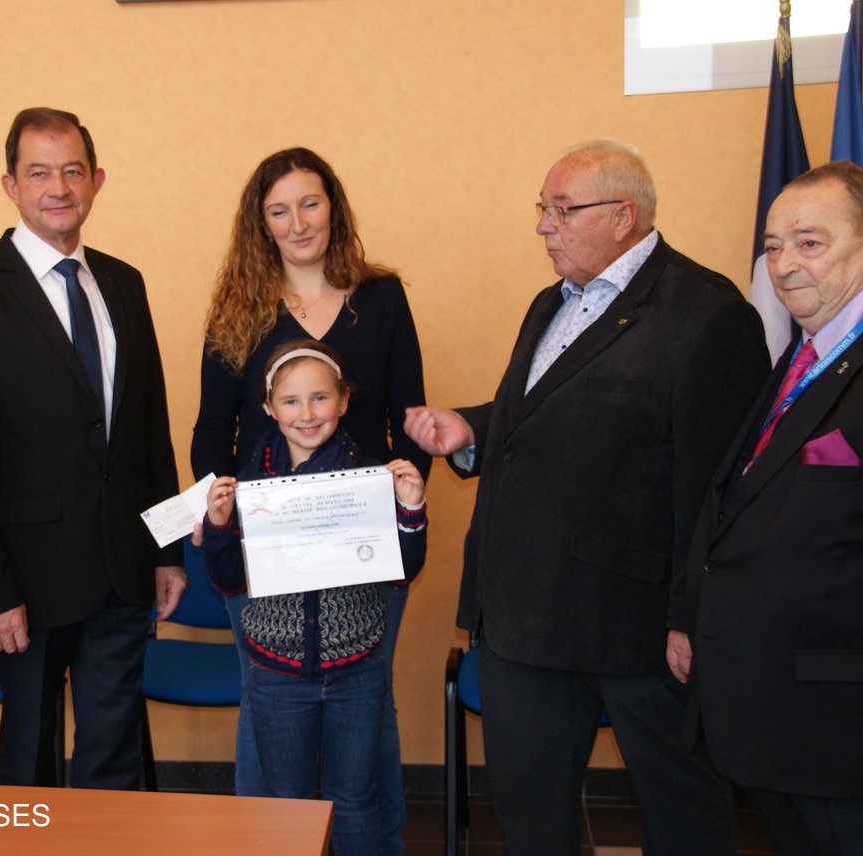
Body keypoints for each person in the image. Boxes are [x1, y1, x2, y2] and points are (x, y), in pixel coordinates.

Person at [404, 140, 769, 854]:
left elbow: (718, 486)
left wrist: (690, 617)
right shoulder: (552, 302)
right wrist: (472, 429)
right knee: (530, 818)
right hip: (525, 620)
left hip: (636, 629)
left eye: (563, 209)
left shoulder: (706, 312)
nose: (544, 225)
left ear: (623, 216)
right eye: (543, 208)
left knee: (683, 820)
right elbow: (547, 414)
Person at [0, 107, 186, 789]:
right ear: (10, 186)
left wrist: (167, 550)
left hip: (124, 566)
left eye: (73, 170)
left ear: (96, 181)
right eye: (39, 172)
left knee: (115, 753)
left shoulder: (124, 283)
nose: (59, 188)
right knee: (30, 754)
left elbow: (150, 430)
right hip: (26, 583)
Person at [191, 147, 428, 849]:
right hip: (264, 551)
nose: (298, 223)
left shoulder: (382, 298)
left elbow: (410, 418)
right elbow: (212, 429)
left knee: (370, 703)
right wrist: (215, 510)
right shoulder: (238, 308)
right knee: (265, 704)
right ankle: (267, 841)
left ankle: (375, 843)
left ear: (334, 207)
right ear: (260, 223)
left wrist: (403, 506)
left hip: (364, 549)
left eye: (310, 203)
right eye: (279, 210)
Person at [672, 161, 863, 854]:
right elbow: (737, 498)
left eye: (810, 243)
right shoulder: (800, 358)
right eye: (774, 246)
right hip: (771, 706)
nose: (783, 266)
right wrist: (691, 612)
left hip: (838, 718)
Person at [201, 339, 427, 856]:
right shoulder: (250, 483)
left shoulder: (370, 477)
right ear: (268, 408)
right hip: (276, 673)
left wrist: (410, 511)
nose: (306, 414)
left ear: (343, 401)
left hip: (357, 671)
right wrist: (218, 525)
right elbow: (229, 581)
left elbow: (402, 573)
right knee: (287, 803)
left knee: (355, 798)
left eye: (320, 398)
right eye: (290, 401)